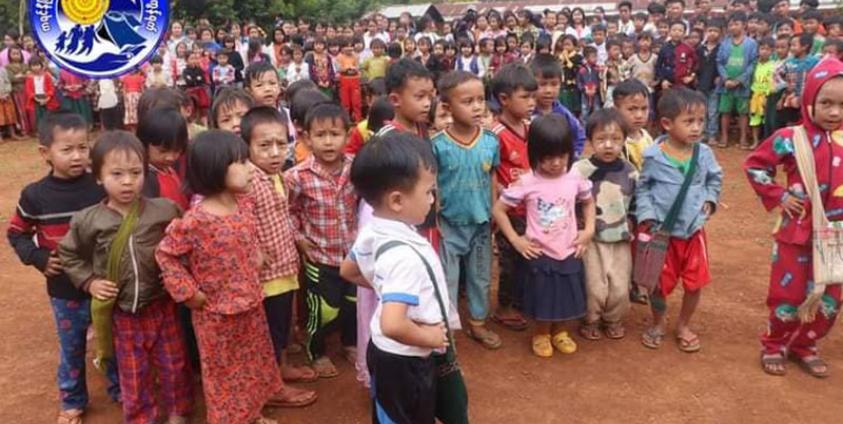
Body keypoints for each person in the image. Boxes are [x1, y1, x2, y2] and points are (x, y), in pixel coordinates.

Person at [156, 130, 291, 424]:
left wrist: (255, 255)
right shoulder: (195, 219)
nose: (249, 168)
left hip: (251, 305)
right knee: (223, 375)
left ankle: (252, 414)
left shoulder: (243, 205)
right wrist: (188, 293)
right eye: (240, 162)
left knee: (253, 365)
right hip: (216, 316)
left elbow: (248, 236)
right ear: (215, 168)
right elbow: (166, 255)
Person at [58, 131, 193, 424]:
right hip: (123, 313)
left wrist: (179, 273)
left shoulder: (164, 210)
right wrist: (90, 282)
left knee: (174, 364)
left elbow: (187, 241)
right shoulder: (88, 220)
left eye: (135, 172)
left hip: (163, 305)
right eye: (116, 174)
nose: (128, 181)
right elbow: (69, 255)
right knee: (133, 372)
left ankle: (177, 412)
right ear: (98, 176)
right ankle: (142, 418)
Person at [6, 112, 119, 424]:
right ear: (45, 153)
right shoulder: (35, 196)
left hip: (104, 284)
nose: (77, 156)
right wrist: (39, 257)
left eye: (83, 147)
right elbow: (16, 233)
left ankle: (120, 389)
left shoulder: (100, 188)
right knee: (72, 350)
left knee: (113, 342)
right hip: (64, 290)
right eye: (66, 149)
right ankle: (72, 400)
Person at [341, 124, 457, 424]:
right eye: (429, 191)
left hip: (387, 354)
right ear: (396, 200)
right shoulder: (404, 255)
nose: (433, 199)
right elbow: (393, 324)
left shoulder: (374, 228)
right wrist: (428, 335)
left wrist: (385, 287)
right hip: (405, 359)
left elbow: (349, 269)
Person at [745, 59, 843, 379]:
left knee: (830, 299)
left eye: (842, 105)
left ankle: (805, 346)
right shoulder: (790, 136)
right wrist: (780, 196)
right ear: (809, 99)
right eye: (826, 103)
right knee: (787, 296)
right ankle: (774, 345)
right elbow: (755, 166)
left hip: (836, 236)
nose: (834, 112)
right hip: (796, 233)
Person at [492, 114, 595, 358]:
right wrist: (516, 241)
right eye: (548, 158)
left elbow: (589, 202)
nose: (556, 163)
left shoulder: (575, 177)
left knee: (567, 294)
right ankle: (541, 333)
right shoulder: (527, 181)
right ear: (535, 154)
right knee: (544, 297)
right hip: (540, 251)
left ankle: (560, 331)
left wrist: (588, 231)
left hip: (569, 248)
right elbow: (499, 209)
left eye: (562, 156)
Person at [239, 106, 321, 401]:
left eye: (281, 144)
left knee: (282, 323)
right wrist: (255, 250)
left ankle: (281, 368)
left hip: (284, 268)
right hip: (266, 275)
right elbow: (241, 222)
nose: (275, 152)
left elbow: (283, 216)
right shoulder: (249, 181)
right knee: (270, 332)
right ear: (246, 146)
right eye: (264, 146)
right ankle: (272, 388)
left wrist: (297, 241)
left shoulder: (277, 176)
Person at [637, 87, 723, 353]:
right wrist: (648, 215)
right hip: (663, 233)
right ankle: (659, 322)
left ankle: (684, 324)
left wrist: (710, 199)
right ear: (667, 123)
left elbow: (714, 178)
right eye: (689, 121)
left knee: (695, 282)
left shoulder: (705, 154)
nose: (697, 128)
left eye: (700, 120)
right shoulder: (653, 156)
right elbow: (643, 188)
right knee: (658, 284)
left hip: (694, 231)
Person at [285, 103, 358, 378]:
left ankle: (350, 343)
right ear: (306, 138)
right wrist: (300, 240)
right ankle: (317, 351)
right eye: (320, 135)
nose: (328, 141)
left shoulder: (356, 169)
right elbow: (288, 212)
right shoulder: (297, 176)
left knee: (353, 303)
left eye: (335, 134)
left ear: (347, 135)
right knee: (322, 309)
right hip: (320, 256)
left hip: (353, 255)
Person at [431, 71, 501, 350]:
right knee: (447, 279)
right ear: (447, 108)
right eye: (467, 101)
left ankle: (478, 324)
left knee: (480, 276)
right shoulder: (437, 145)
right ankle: (447, 330)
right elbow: (432, 184)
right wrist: (434, 217)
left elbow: (492, 178)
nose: (476, 107)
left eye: (481, 100)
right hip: (449, 224)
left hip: (482, 222)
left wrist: (495, 210)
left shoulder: (490, 141)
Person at [573, 109, 638, 341]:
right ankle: (591, 319)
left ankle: (613, 319)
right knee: (594, 286)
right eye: (601, 139)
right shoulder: (580, 171)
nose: (608, 145)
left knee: (620, 285)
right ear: (590, 140)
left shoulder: (630, 172)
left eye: (616, 139)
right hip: (591, 239)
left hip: (620, 239)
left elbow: (636, 205)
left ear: (624, 140)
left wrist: (634, 223)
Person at [488, 63, 537, 332]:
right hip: (508, 211)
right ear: (504, 99)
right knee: (509, 261)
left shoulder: (531, 128)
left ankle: (521, 301)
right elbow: (492, 174)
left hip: (531, 209)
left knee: (528, 258)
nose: (532, 102)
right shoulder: (495, 135)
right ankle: (503, 307)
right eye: (525, 97)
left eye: (533, 96)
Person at [530, 54, 586, 157]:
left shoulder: (564, 115)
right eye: (542, 84)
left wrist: (572, 158)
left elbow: (580, 137)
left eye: (554, 84)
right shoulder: (526, 114)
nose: (548, 90)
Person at [716, 12, 758, 149]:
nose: (733, 27)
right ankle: (724, 137)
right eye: (731, 25)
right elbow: (719, 62)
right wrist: (726, 78)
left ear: (744, 25)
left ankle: (743, 138)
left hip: (743, 85)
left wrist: (740, 80)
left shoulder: (751, 44)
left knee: (743, 113)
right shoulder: (724, 43)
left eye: (736, 24)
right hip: (726, 85)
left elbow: (753, 63)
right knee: (725, 111)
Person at [136, 107, 190, 210]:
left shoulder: (168, 169)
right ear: (144, 144)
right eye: (163, 151)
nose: (170, 157)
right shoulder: (147, 179)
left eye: (176, 150)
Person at [698, 18, 723, 146]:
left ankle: (712, 135)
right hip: (701, 84)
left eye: (715, 31)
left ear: (720, 33)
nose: (712, 33)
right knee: (702, 111)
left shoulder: (721, 49)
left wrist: (720, 77)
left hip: (714, 85)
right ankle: (703, 134)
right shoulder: (700, 49)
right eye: (710, 30)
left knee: (713, 111)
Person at [749, 37, 776, 149]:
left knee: (766, 119)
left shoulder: (773, 65)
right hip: (755, 94)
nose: (764, 51)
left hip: (767, 95)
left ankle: (766, 142)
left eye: (768, 49)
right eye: (762, 48)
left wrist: (767, 95)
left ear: (772, 51)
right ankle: (755, 141)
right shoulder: (755, 64)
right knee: (755, 119)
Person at [25, 58, 60, 127]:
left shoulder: (46, 75)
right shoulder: (29, 77)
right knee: (38, 116)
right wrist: (36, 99)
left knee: (49, 115)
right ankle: (41, 130)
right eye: (33, 65)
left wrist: (47, 98)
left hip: (47, 98)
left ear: (41, 65)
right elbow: (28, 90)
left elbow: (51, 88)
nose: (35, 67)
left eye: (37, 65)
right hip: (36, 99)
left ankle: (50, 129)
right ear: (30, 67)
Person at [337, 37, 363, 121]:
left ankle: (357, 119)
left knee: (356, 101)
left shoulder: (356, 56)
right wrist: (348, 68)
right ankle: (346, 120)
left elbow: (358, 67)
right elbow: (339, 69)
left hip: (354, 79)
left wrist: (353, 68)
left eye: (351, 46)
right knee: (345, 102)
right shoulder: (339, 57)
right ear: (342, 48)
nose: (349, 48)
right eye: (346, 46)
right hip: (344, 79)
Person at [577, 46, 601, 122]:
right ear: (586, 58)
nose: (595, 59)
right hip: (585, 94)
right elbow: (578, 81)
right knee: (585, 111)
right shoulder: (582, 70)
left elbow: (600, 80)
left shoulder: (597, 69)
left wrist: (596, 88)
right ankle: (584, 129)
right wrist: (584, 89)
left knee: (597, 110)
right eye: (593, 57)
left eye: (596, 56)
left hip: (595, 93)